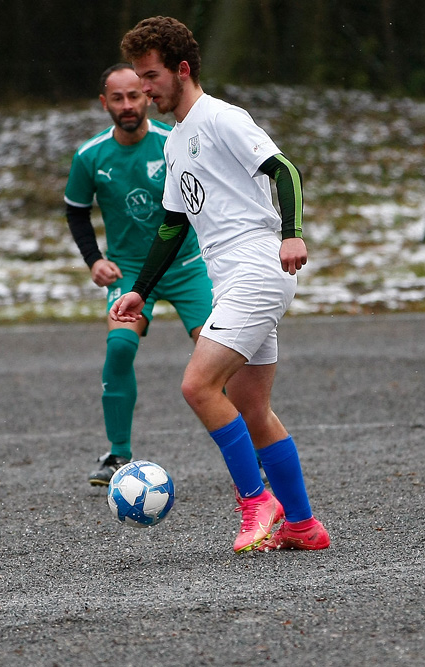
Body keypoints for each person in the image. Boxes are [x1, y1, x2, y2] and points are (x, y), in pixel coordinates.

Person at [113, 17, 330, 553]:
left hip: (257, 267)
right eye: (140, 78)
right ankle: (304, 527)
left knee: (198, 386)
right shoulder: (175, 141)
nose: (145, 90)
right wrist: (141, 288)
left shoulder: (222, 118)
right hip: (233, 276)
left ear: (182, 70)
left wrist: (292, 234)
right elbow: (172, 225)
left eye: (152, 76)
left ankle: (257, 502)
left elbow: (285, 171)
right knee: (251, 405)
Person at [64, 64, 213, 486]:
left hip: (185, 266)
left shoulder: (174, 143)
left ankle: (250, 447)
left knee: (218, 354)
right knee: (119, 348)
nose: (128, 105)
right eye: (118, 98)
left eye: (135, 95)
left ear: (147, 97)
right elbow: (76, 210)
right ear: (104, 103)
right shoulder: (90, 155)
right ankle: (118, 455)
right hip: (128, 272)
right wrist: (94, 259)